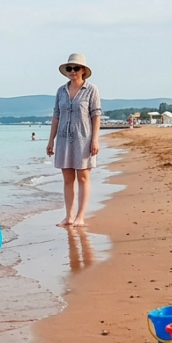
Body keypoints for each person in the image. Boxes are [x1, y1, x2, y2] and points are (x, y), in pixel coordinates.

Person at [47, 53, 101, 227]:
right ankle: (69, 216)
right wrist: (51, 140)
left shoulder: (91, 90)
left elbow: (96, 116)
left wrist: (95, 140)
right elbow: (56, 115)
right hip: (63, 139)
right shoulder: (61, 91)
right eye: (69, 68)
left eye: (76, 68)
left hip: (83, 138)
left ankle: (80, 216)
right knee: (68, 178)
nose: (72, 71)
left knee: (83, 177)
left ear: (83, 70)